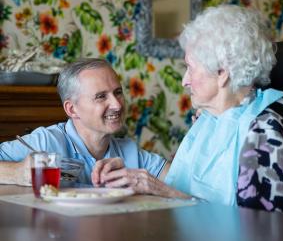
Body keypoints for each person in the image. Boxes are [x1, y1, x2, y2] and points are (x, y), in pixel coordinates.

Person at [91, 5, 283, 213]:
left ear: (222, 73)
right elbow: (183, 182)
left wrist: (165, 192)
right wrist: (130, 175)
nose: (184, 81)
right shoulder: (208, 119)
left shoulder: (264, 132)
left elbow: (260, 229)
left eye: (190, 67)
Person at [0, 58, 172, 189]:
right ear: (72, 109)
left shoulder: (130, 152)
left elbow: (184, 180)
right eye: (101, 96)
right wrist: (17, 173)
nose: (117, 105)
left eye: (118, 92)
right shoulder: (45, 142)